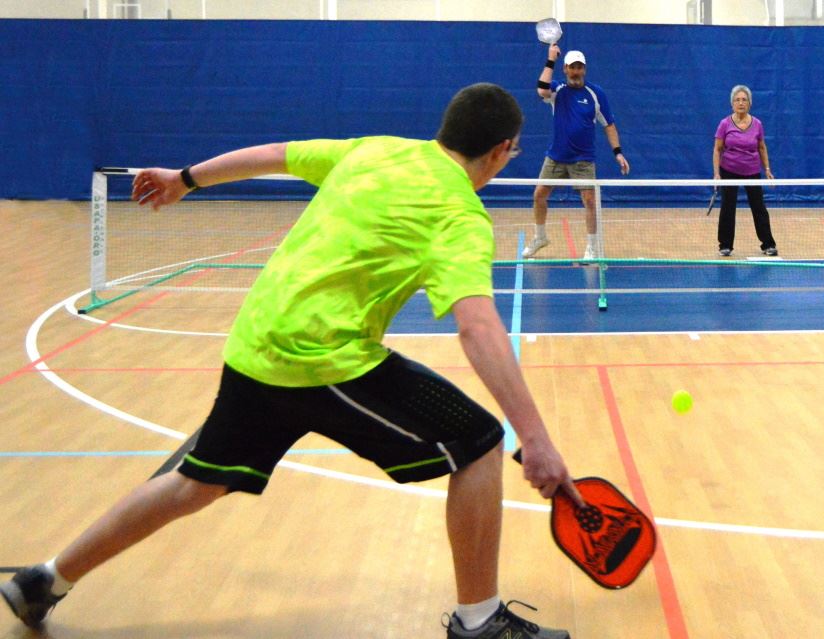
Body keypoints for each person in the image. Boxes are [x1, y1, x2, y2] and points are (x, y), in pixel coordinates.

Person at [0, 83, 582, 639]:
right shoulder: (459, 214)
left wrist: (185, 179)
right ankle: (478, 622)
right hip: (323, 358)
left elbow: (273, 155)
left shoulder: (375, 150)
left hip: (257, 339)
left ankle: (44, 579)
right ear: (502, 150)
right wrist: (534, 438)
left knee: (194, 483)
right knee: (479, 442)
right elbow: (477, 325)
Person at [522, 44, 630, 261]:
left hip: (583, 159)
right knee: (539, 195)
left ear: (585, 69)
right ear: (565, 69)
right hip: (556, 156)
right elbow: (541, 89)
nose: (576, 71)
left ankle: (591, 247)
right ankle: (540, 237)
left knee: (589, 201)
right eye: (572, 67)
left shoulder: (595, 93)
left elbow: (609, 125)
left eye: (579, 67)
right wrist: (550, 59)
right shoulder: (558, 90)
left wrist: (618, 152)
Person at [712, 84, 779, 257]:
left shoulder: (757, 124)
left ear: (749, 103)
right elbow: (717, 149)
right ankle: (725, 245)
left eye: (744, 100)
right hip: (729, 170)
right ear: (732, 103)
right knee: (728, 207)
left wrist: (767, 169)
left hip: (751, 171)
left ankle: (768, 244)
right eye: (737, 100)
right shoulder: (724, 124)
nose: (741, 103)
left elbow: (762, 147)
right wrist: (717, 174)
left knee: (759, 207)